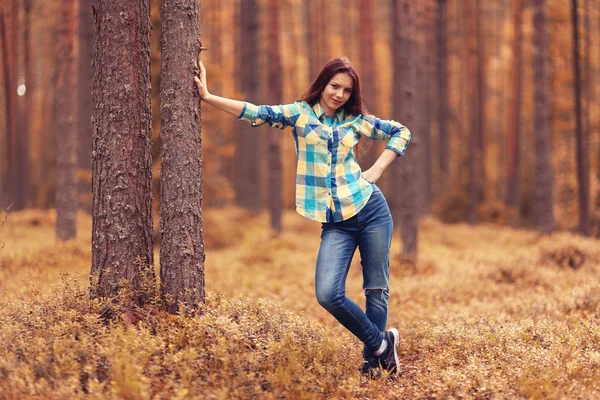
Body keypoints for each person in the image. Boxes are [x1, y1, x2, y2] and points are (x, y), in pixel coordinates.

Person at [194, 56, 411, 379]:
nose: (339, 94)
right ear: (322, 84)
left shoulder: (356, 120)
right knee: (328, 294)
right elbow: (256, 112)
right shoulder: (299, 115)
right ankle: (382, 345)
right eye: (334, 86)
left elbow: (401, 132)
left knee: (376, 289)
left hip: (371, 209)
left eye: (347, 90)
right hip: (336, 222)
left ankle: (371, 363)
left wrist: (378, 168)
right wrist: (209, 98)